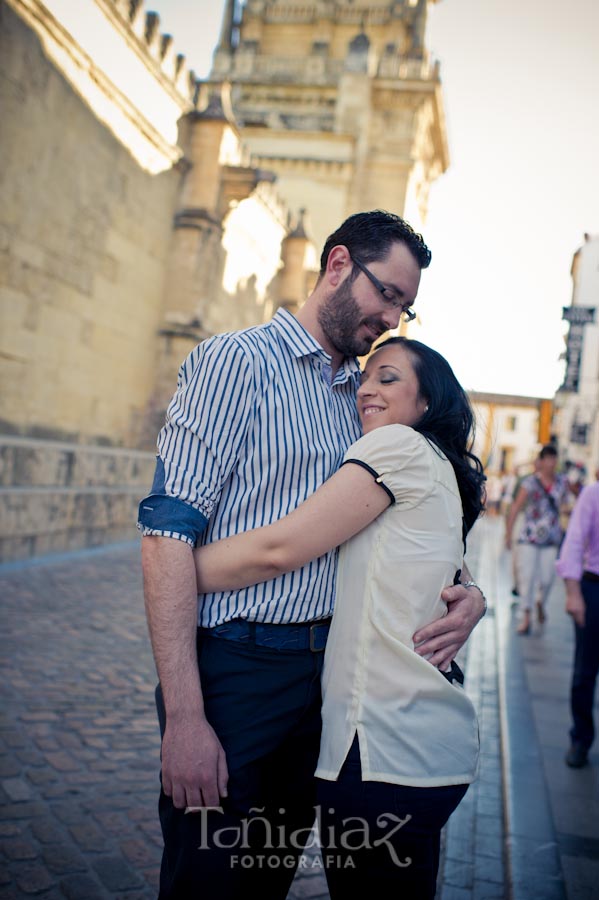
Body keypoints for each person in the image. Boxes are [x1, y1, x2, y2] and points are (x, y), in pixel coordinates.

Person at [138, 210, 487, 899]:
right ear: (335, 266)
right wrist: (185, 715)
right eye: (386, 293)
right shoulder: (233, 361)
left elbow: (393, 523)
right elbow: (168, 529)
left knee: (265, 878)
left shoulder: (362, 399)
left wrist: (465, 589)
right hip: (237, 671)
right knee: (208, 879)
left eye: (404, 307)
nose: (391, 317)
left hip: (329, 686)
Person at [191, 335, 485, 898]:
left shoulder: (395, 445)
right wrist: (475, 593)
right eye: (366, 377)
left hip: (379, 750)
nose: (368, 388)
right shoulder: (433, 463)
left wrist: (175, 565)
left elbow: (280, 548)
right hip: (421, 747)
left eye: (389, 378)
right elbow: (445, 569)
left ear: (426, 403)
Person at [556, 478, 599, 769]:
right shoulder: (593, 493)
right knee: (586, 671)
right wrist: (573, 594)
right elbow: (573, 541)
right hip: (594, 588)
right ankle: (580, 739)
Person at [505, 445, 570, 634]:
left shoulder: (562, 483)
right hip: (529, 537)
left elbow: (565, 505)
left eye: (554, 458)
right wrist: (508, 534)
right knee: (527, 578)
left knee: (548, 578)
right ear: (541, 461)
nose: (551, 462)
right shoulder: (530, 483)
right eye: (548, 458)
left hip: (551, 539)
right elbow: (516, 507)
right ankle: (526, 616)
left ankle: (541, 602)